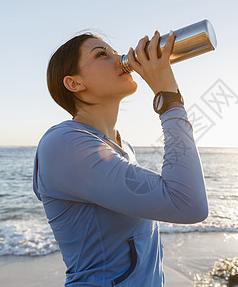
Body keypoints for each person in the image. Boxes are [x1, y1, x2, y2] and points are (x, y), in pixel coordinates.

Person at [33, 29, 208, 286]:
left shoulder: (120, 146)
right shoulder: (64, 144)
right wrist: (168, 97)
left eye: (116, 52)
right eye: (102, 54)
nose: (120, 59)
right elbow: (188, 203)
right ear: (75, 83)